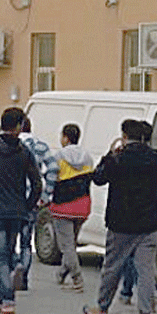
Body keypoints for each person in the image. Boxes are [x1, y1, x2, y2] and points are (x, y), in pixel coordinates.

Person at [82, 119, 157, 314]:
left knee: (112, 267)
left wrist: (109, 155)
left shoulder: (119, 158)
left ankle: (102, 309)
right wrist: (155, 207)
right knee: (145, 269)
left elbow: (98, 178)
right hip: (150, 223)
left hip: (121, 223)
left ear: (125, 136)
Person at [0, 106, 42, 314]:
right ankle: (14, 272)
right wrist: (28, 205)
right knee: (9, 250)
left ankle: (7, 299)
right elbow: (37, 183)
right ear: (19, 126)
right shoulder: (24, 152)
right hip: (17, 212)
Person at [16, 115, 58, 291]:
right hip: (32, 199)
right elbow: (53, 168)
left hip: (10, 200)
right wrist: (46, 195)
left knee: (10, 240)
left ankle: (12, 268)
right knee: (26, 241)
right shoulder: (41, 146)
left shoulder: (8, 145)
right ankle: (23, 275)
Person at [50, 123, 94, 292]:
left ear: (66, 138)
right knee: (71, 244)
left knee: (67, 246)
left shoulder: (59, 156)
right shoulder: (88, 157)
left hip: (63, 206)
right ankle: (62, 273)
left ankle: (77, 279)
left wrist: (46, 198)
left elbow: (52, 179)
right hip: (83, 205)